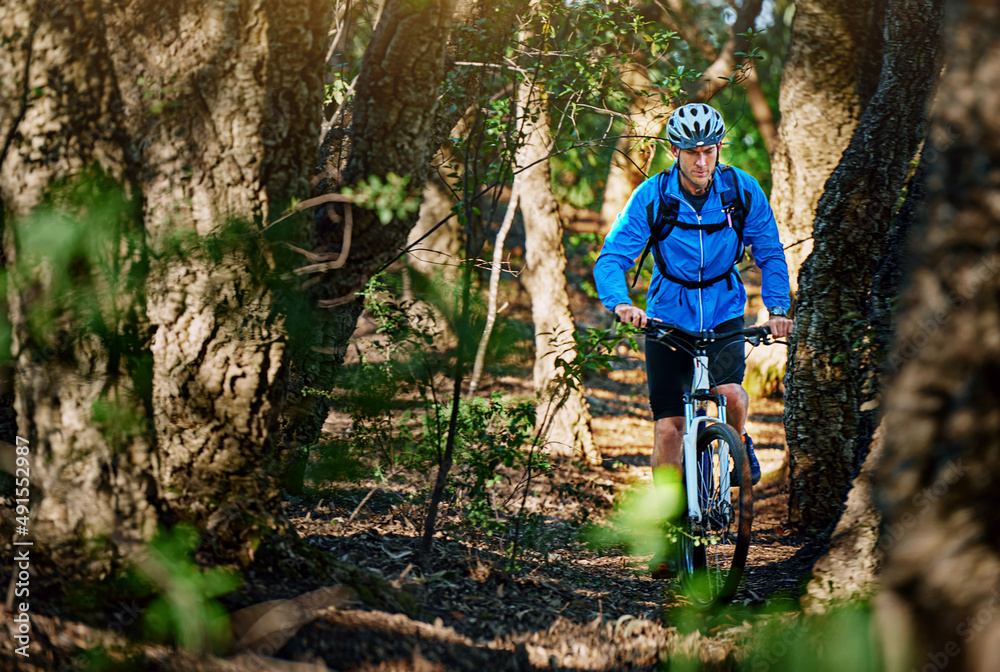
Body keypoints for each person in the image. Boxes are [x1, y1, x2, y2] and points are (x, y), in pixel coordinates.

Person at [593, 103, 793, 576]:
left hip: (725, 307)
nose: (701, 161)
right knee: (668, 428)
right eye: (691, 152)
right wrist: (622, 302)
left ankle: (736, 440)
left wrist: (778, 308)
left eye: (708, 150)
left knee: (728, 393)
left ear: (719, 149)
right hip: (667, 316)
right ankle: (666, 534)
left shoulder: (741, 190)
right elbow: (613, 255)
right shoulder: (653, 195)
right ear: (674, 151)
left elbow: (769, 250)